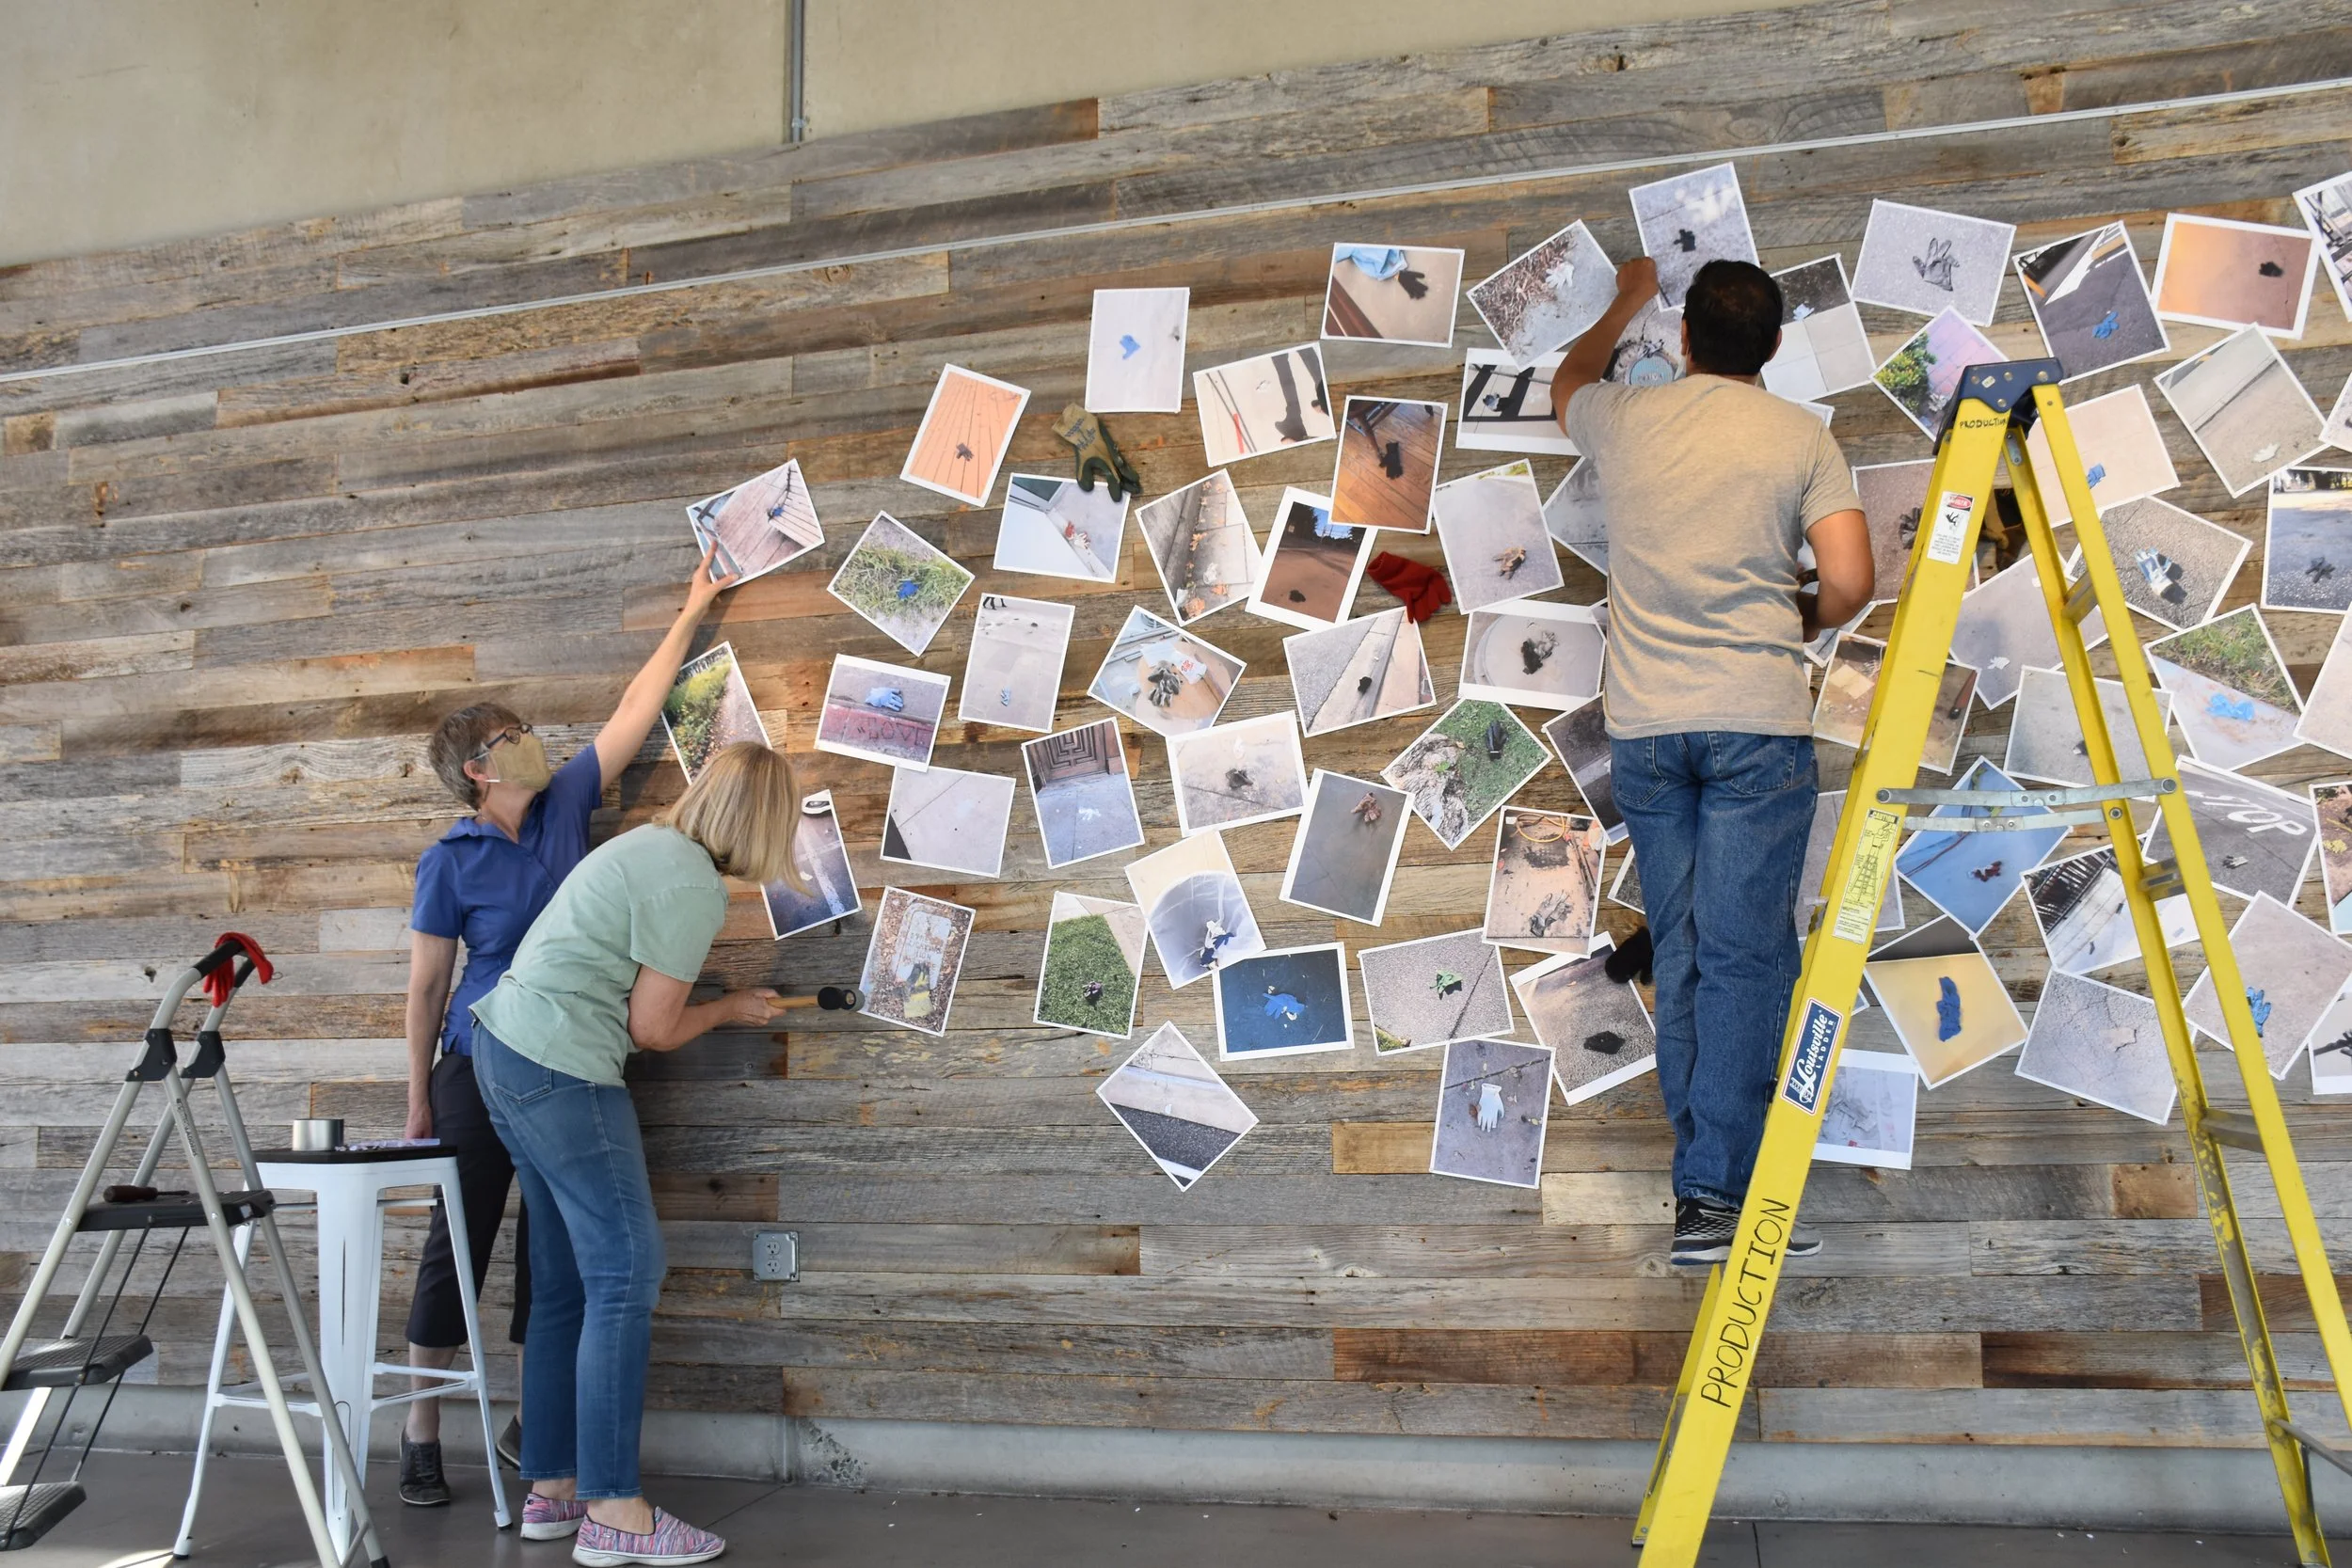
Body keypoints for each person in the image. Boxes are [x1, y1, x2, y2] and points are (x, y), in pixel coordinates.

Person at [1550, 256, 1874, 1268]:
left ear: (1684, 338)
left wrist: (1620, 298)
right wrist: (1799, 615)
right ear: (1774, 346)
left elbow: (1564, 384)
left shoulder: (1626, 417)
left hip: (1647, 730)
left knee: (1688, 952)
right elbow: (1853, 582)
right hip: (1754, 726)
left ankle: (1704, 1200)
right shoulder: (1800, 435)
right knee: (1741, 956)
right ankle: (1716, 1198)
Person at [397, 551, 739, 1508]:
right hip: (479, 1059)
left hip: (577, 1046)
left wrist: (697, 606)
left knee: (553, 1256)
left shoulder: (563, 810)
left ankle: (535, 1437)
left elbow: (636, 706)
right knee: (456, 1241)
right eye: (512, 736)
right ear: (477, 767)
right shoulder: (450, 859)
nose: (533, 741)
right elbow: (427, 989)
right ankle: (422, 1425)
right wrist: (421, 1092)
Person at [469, 741, 810, 1566]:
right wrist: (727, 1010)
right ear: (763, 823)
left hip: (502, 1049)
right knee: (626, 1270)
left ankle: (550, 1489)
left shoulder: (647, 847)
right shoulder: (691, 882)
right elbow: (651, 1029)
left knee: (561, 1283)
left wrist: (722, 1000)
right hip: (559, 1067)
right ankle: (617, 1511)